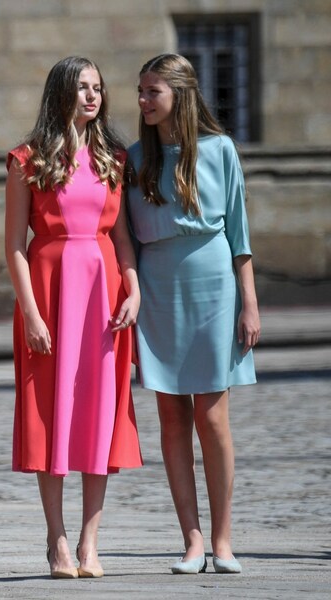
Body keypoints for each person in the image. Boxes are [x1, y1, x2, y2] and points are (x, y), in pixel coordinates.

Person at [4, 56, 143, 580]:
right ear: (61, 92)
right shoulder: (26, 159)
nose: (93, 96)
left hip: (103, 298)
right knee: (52, 411)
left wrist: (133, 291)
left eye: (99, 88)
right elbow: (15, 246)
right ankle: (56, 538)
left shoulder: (115, 159)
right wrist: (31, 313)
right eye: (83, 87)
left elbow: (123, 240)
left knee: (98, 412)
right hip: (49, 293)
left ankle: (90, 541)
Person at [125, 53, 260, 575]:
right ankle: (192, 539)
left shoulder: (221, 149)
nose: (143, 100)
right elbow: (125, 239)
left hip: (214, 285)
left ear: (179, 93)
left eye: (152, 91)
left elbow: (239, 236)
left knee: (212, 415)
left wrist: (248, 302)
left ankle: (224, 539)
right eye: (140, 91)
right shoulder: (135, 158)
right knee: (171, 416)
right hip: (158, 288)